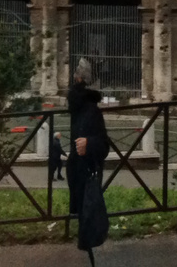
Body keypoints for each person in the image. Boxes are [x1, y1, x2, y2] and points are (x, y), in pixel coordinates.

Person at [66, 58, 110, 262]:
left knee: (88, 217)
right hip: (78, 168)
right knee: (84, 214)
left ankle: (90, 252)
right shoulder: (78, 106)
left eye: (76, 77)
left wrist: (89, 144)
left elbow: (103, 144)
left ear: (79, 79)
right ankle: (88, 248)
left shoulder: (90, 109)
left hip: (86, 169)